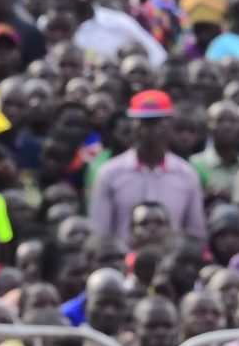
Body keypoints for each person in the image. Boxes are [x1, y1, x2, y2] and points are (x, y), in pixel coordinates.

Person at [88, 89, 206, 245]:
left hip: (171, 263)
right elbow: (99, 232)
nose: (151, 130)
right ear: (133, 125)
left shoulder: (186, 174)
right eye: (144, 123)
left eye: (158, 122)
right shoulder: (110, 173)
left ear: (170, 125)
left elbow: (195, 233)